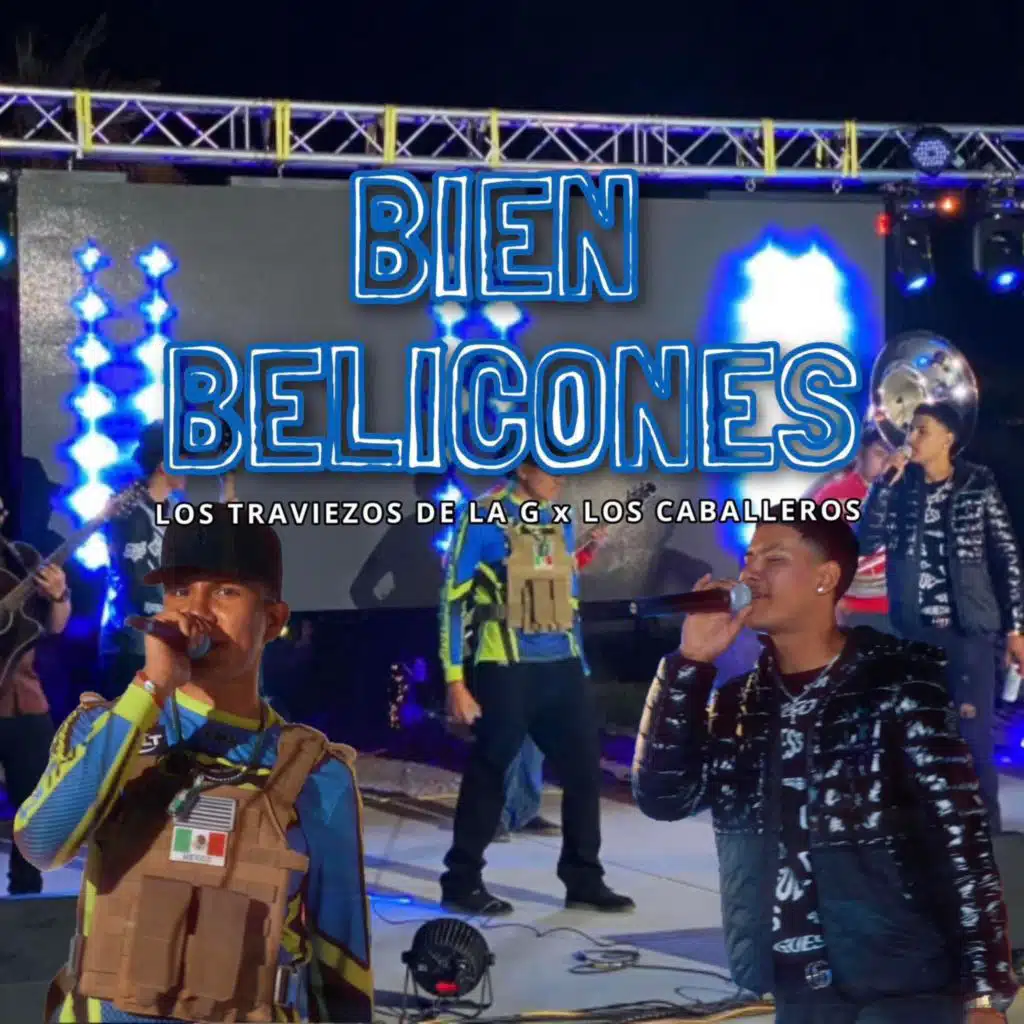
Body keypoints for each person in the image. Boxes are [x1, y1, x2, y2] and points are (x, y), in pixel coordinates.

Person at [632, 513, 1016, 1024]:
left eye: (774, 560)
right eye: (749, 559)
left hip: (902, 978)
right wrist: (689, 665)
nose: (751, 575)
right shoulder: (737, 703)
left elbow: (961, 840)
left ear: (826, 577)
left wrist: (984, 993)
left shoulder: (898, 685)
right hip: (794, 981)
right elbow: (663, 799)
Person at [14, 505, 373, 1023]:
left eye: (225, 592)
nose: (196, 612)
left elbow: (342, 970)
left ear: (273, 620)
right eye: (181, 590)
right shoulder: (104, 730)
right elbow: (40, 844)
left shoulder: (318, 775)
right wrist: (149, 691)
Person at [439, 458, 632, 914]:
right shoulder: (481, 516)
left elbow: (560, 588)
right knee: (491, 770)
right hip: (506, 666)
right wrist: (455, 680)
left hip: (562, 665)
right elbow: (452, 601)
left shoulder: (558, 517)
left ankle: (584, 879)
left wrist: (580, 663)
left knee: (583, 772)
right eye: (551, 468)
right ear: (523, 468)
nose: (561, 478)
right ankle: (461, 880)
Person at [859, 401, 1024, 834]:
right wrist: (883, 486)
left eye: (922, 430)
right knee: (914, 734)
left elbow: (1006, 557)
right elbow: (865, 540)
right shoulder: (900, 486)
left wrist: (1016, 629)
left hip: (968, 632)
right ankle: (923, 831)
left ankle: (985, 833)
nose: (911, 439)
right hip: (913, 633)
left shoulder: (978, 483)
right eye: (910, 430)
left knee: (972, 735)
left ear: (948, 438)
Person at [0, 497, 70, 895]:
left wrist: (58, 596)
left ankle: (26, 893)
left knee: (34, 805)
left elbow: (56, 627)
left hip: (25, 699)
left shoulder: (24, 559)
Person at [99, 421, 184, 697]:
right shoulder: (130, 510)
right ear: (164, 465)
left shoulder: (174, 510)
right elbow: (136, 582)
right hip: (132, 647)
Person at [807, 424, 891, 631]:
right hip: (853, 609)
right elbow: (816, 552)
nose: (886, 463)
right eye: (879, 454)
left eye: (891, 455)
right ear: (861, 453)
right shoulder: (833, 495)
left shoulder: (903, 493)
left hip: (896, 608)